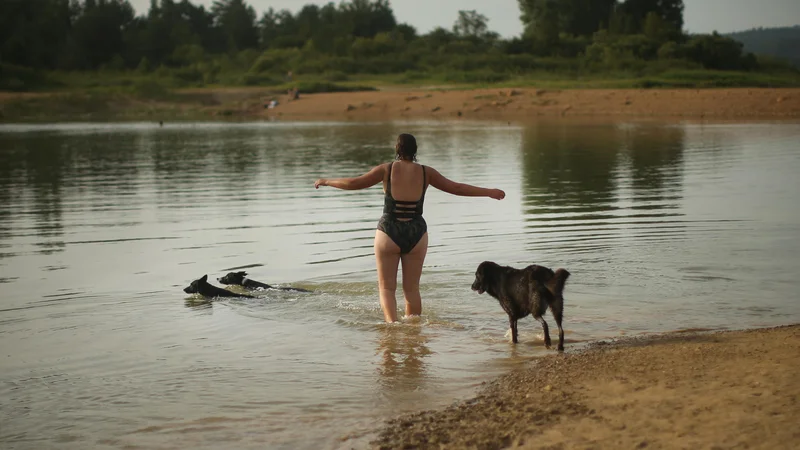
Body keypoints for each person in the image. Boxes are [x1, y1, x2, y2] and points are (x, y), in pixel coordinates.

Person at [314, 134, 505, 323]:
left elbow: (354, 183)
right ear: (415, 151)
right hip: (417, 233)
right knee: (412, 289)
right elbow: (457, 188)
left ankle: (393, 327)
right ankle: (414, 332)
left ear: (397, 150)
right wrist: (489, 192)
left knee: (387, 288)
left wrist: (326, 181)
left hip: (388, 231)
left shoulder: (386, 170)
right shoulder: (426, 172)